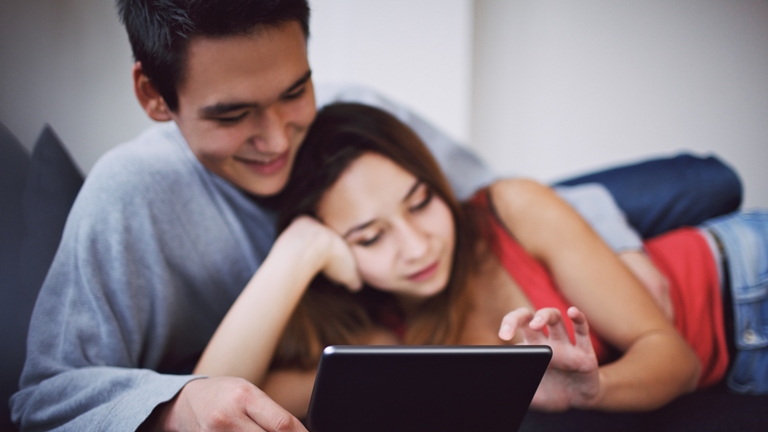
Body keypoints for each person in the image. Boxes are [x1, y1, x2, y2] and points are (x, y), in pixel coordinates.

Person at [9, 0, 741, 430]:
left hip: (604, 253)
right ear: (154, 97)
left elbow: (481, 200)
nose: (277, 139)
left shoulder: (358, 116)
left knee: (705, 182)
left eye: (295, 92)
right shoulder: (129, 195)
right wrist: (179, 403)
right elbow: (45, 392)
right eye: (233, 115)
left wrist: (617, 257)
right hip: (384, 307)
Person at [193, 102, 767, 418]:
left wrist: (594, 390)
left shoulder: (509, 208)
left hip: (744, 274)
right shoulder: (384, 343)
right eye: (370, 238)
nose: (417, 247)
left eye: (420, 203)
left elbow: (676, 358)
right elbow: (215, 396)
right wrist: (295, 254)